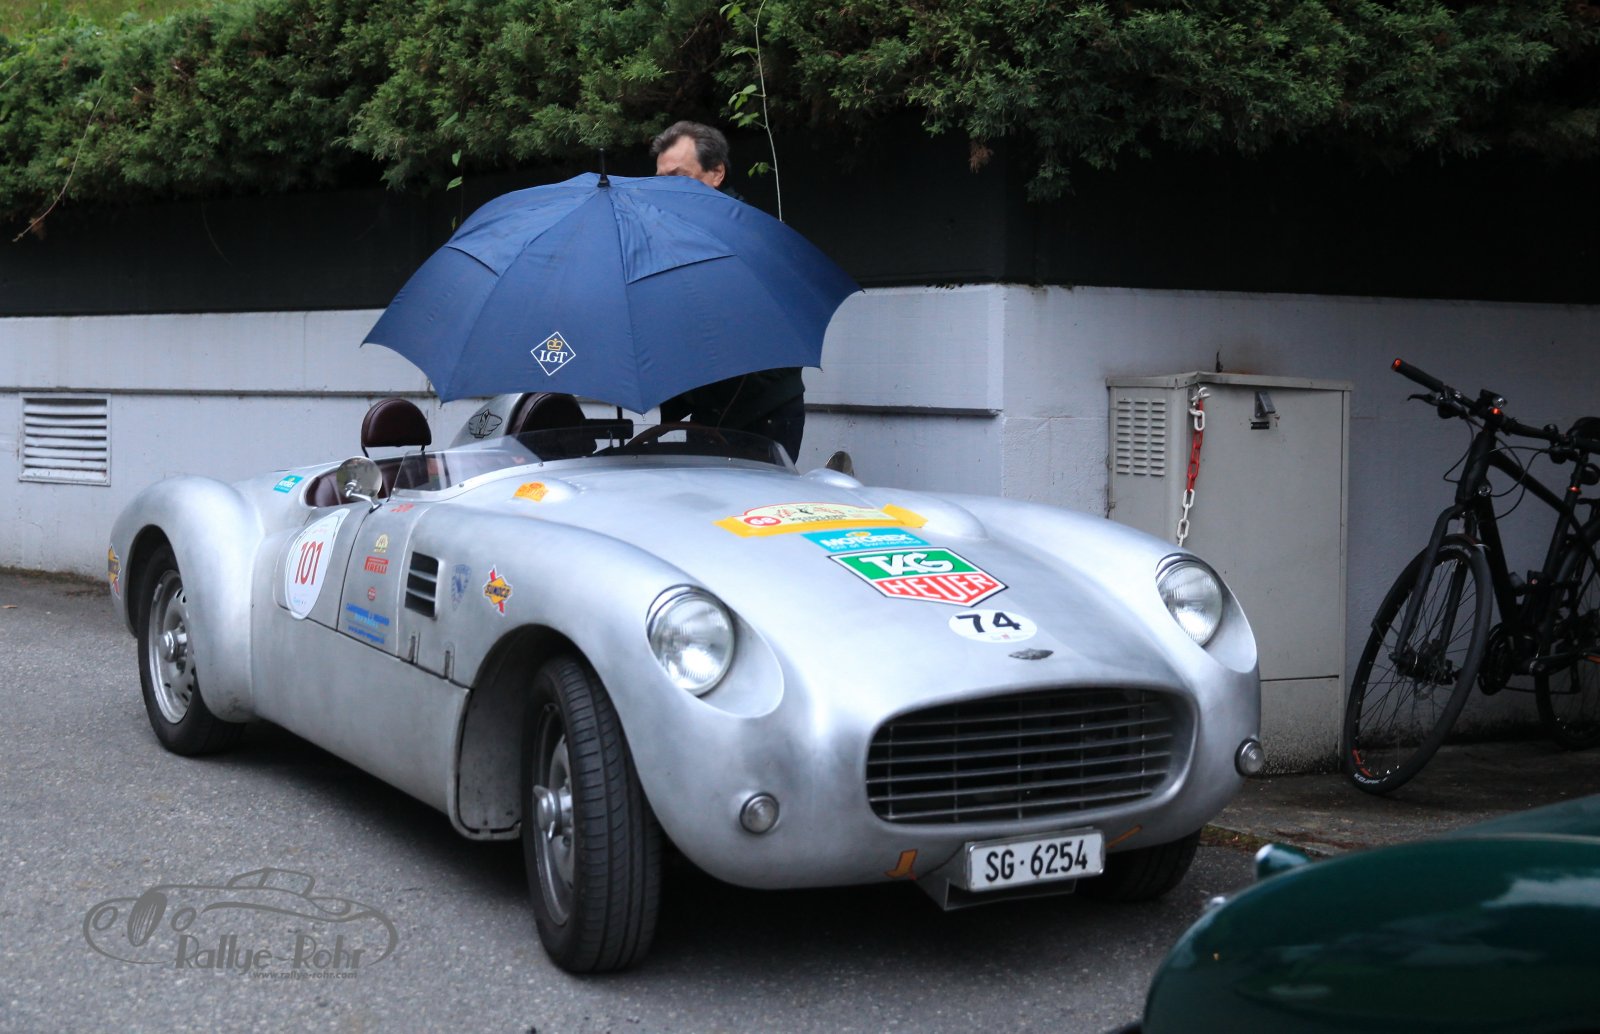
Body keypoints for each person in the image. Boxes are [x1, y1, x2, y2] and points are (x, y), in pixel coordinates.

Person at [651, 121, 806, 462]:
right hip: (711, 411)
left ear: (716, 173)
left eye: (679, 177)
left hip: (761, 411)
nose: (666, 190)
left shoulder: (751, 235)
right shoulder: (673, 238)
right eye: (660, 180)